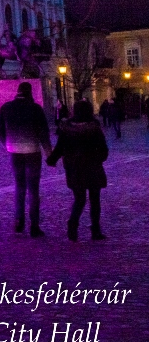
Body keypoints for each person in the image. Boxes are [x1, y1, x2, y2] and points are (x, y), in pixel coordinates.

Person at [0, 81, 52, 237]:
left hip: (14, 151)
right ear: (30, 92)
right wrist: (49, 154)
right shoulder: (35, 109)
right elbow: (43, 134)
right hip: (32, 151)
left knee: (19, 186)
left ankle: (18, 221)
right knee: (33, 189)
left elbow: (0, 131)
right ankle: (34, 225)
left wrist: (7, 145)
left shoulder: (6, 108)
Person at [47, 99, 108, 241]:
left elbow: (60, 147)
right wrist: (99, 158)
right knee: (94, 199)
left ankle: (73, 225)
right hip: (92, 166)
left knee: (79, 199)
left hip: (74, 168)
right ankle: (95, 230)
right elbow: (103, 149)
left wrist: (52, 160)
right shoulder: (94, 127)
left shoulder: (66, 128)